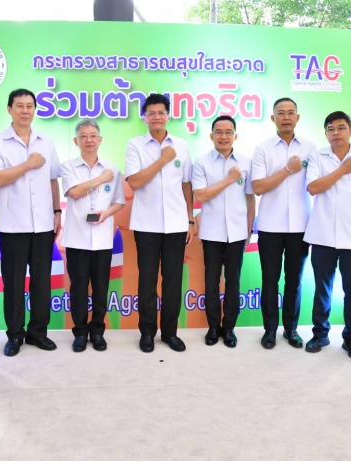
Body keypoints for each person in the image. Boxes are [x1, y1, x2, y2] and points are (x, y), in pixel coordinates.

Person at [0, 88, 61, 356]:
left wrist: (57, 211)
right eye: (19, 105)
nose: (25, 110)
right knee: (14, 283)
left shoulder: (46, 141)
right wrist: (28, 164)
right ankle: (15, 335)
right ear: (9, 109)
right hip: (12, 226)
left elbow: (53, 179)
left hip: (42, 224)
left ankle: (38, 333)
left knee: (42, 281)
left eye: (30, 106)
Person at [304, 111, 351, 360]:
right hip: (323, 235)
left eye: (341, 127)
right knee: (322, 289)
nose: (335, 132)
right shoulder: (317, 156)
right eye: (330, 129)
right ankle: (320, 333)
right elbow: (313, 188)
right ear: (326, 133)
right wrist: (343, 169)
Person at [126, 93, 195, 353]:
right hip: (146, 224)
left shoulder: (182, 145)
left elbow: (186, 185)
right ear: (144, 118)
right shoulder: (135, 145)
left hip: (177, 224)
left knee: (173, 280)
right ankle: (147, 332)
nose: (156, 117)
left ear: (169, 116)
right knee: (147, 281)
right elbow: (134, 182)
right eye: (151, 113)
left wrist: (189, 219)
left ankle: (169, 333)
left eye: (161, 112)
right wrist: (162, 160)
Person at [252, 97, 316, 349]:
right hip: (269, 225)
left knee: (295, 280)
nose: (286, 117)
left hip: (301, 226)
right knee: (269, 279)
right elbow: (258, 187)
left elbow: (315, 186)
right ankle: (269, 329)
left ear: (298, 118)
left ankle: (291, 329)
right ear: (273, 118)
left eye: (291, 113)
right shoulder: (263, 149)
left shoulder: (312, 148)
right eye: (281, 113)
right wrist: (288, 170)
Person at [60, 119, 125, 352]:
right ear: (76, 141)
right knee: (78, 288)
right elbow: (75, 193)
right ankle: (80, 333)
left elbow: (119, 201)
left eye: (93, 135)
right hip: (77, 238)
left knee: (100, 288)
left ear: (100, 139)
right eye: (84, 136)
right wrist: (100, 180)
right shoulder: (68, 167)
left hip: (102, 239)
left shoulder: (113, 168)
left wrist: (106, 213)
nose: (89, 139)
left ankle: (97, 331)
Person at [193, 115, 254, 347]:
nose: (223, 136)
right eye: (218, 132)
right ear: (211, 136)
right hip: (211, 232)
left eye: (228, 132)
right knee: (211, 281)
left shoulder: (246, 162)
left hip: (238, 232)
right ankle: (212, 328)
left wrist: (249, 227)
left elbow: (250, 197)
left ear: (235, 136)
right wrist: (229, 179)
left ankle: (229, 328)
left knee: (233, 282)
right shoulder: (202, 162)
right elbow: (201, 195)